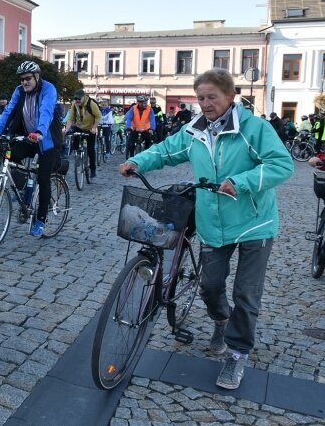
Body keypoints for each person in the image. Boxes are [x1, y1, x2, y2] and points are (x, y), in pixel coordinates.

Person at [119, 68, 293, 390]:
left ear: (230, 96)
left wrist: (239, 182)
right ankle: (221, 320)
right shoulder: (194, 130)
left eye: (212, 96)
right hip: (213, 222)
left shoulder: (253, 129)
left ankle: (238, 354)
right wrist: (138, 162)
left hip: (256, 223)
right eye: (201, 97)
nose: (206, 103)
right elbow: (166, 151)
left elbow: (282, 165)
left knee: (246, 291)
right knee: (210, 286)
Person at [0, 60, 62, 236]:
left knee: (43, 178)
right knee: (10, 156)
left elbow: (46, 111)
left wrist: (40, 131)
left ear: (37, 76)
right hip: (27, 137)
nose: (24, 82)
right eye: (22, 79)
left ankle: (41, 220)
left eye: (28, 78)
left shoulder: (48, 89)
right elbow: (8, 111)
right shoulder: (19, 91)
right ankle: (25, 187)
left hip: (46, 140)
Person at [63, 89, 101, 177]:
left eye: (79, 99)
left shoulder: (91, 104)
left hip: (90, 128)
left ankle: (92, 169)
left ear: (84, 97)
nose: (77, 100)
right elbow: (71, 118)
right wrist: (67, 129)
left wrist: (94, 128)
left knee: (91, 149)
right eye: (75, 99)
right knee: (75, 143)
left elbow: (98, 116)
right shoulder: (74, 104)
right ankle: (78, 155)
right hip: (79, 127)